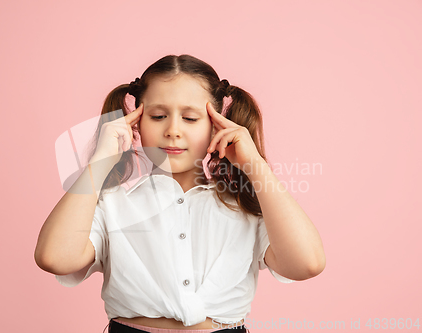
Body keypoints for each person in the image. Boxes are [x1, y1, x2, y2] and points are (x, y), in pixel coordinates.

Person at [34, 54, 326, 333]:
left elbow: (307, 264)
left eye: (190, 118)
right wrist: (99, 164)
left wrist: (255, 165)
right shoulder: (111, 204)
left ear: (216, 126)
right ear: (136, 122)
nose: (173, 130)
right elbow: (54, 258)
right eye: (158, 116)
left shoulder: (246, 207)